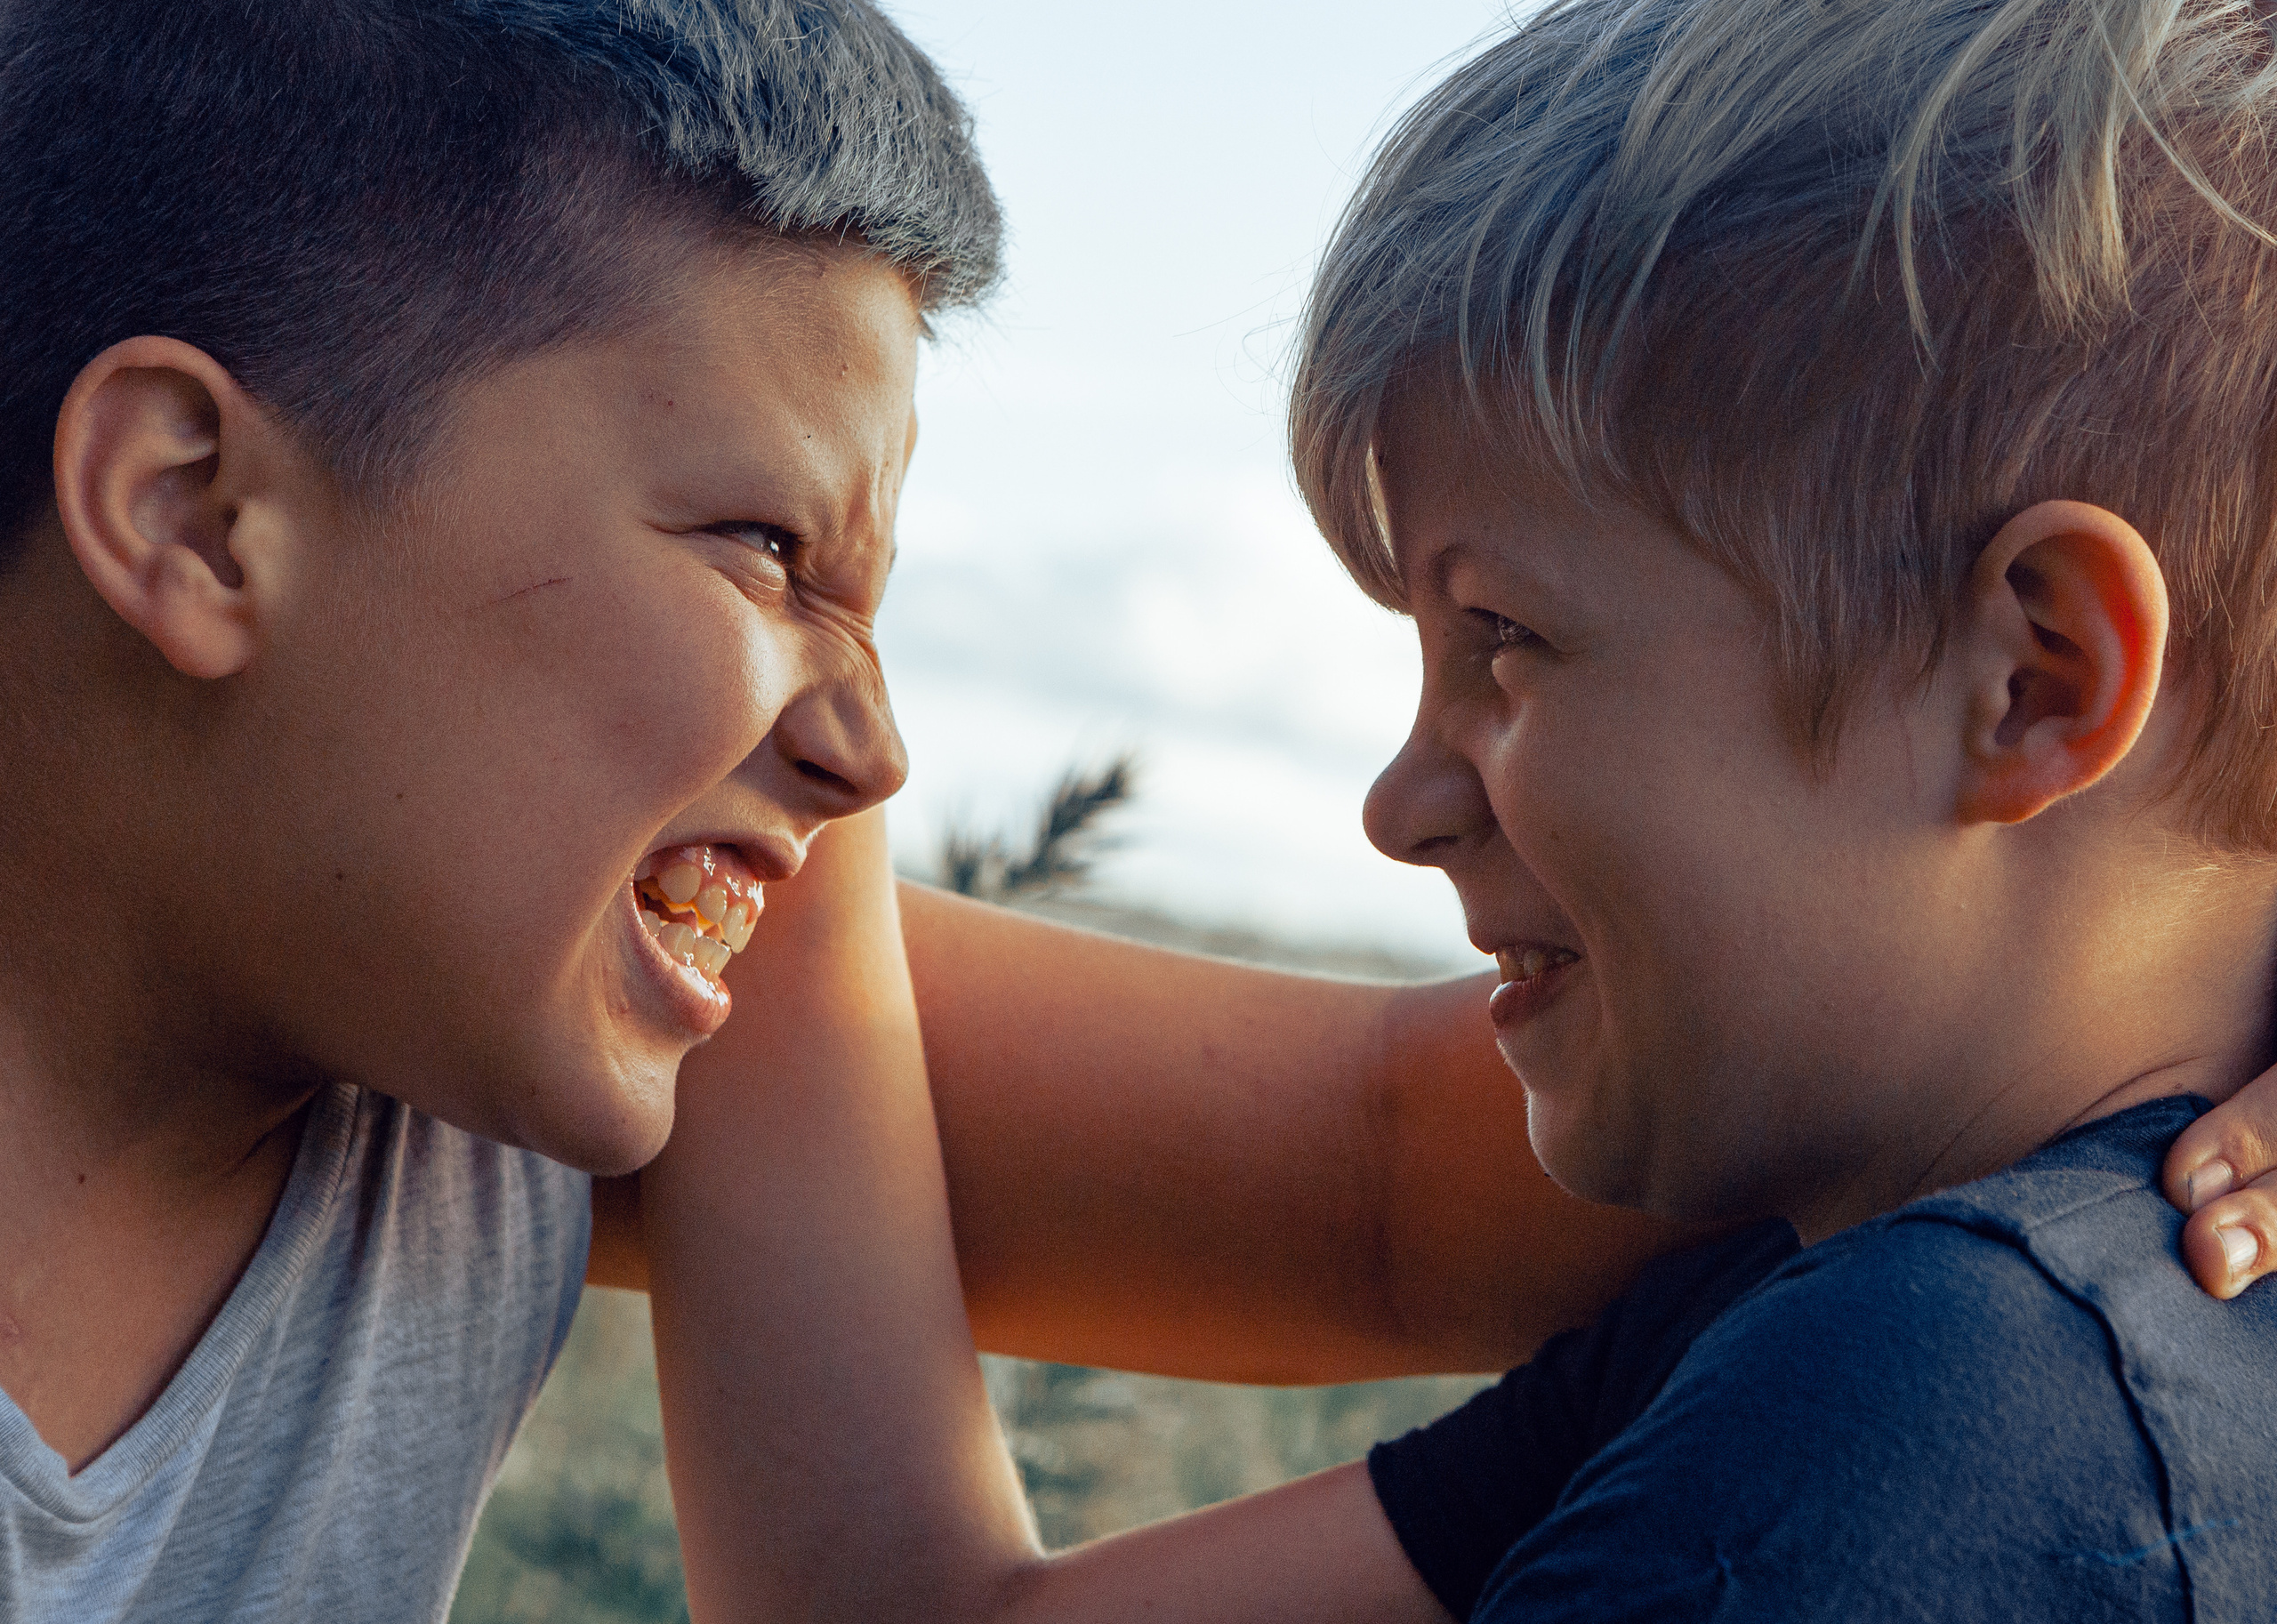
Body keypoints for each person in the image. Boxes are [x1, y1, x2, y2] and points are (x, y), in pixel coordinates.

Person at [0, 3, 1747, 1617]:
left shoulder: (503, 988)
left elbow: (1368, 1191)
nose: (870, 752)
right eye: (765, 548)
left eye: (868, 597)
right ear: (190, 513)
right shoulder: (471, 949)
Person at [640, 0, 2277, 1619]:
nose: (1401, 806)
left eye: (1506, 641)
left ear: (2039, 676)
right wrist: (799, 648)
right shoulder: (1861, 1294)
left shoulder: (1890, 1443)